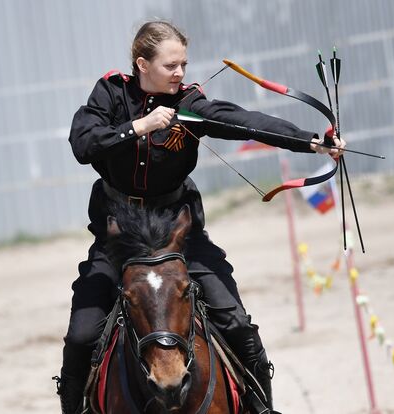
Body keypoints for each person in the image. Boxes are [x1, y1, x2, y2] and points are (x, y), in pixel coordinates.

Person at [56, 20, 345, 414]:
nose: (180, 73)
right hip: (119, 239)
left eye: (183, 65)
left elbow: (243, 121)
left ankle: (262, 408)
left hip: (180, 235)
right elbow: (84, 142)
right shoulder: (110, 93)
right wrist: (138, 127)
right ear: (143, 64)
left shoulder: (189, 102)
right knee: (81, 336)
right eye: (170, 66)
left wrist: (310, 141)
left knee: (238, 325)